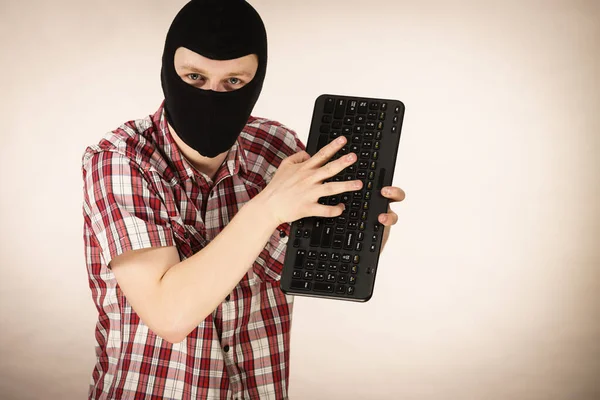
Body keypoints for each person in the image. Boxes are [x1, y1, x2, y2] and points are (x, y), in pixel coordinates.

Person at [81, 0, 406, 398]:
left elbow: (310, 269)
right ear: (168, 70)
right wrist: (269, 207)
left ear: (257, 80)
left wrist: (362, 230)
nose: (212, 95)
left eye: (234, 82)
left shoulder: (279, 148)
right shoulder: (120, 160)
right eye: (194, 77)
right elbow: (168, 313)